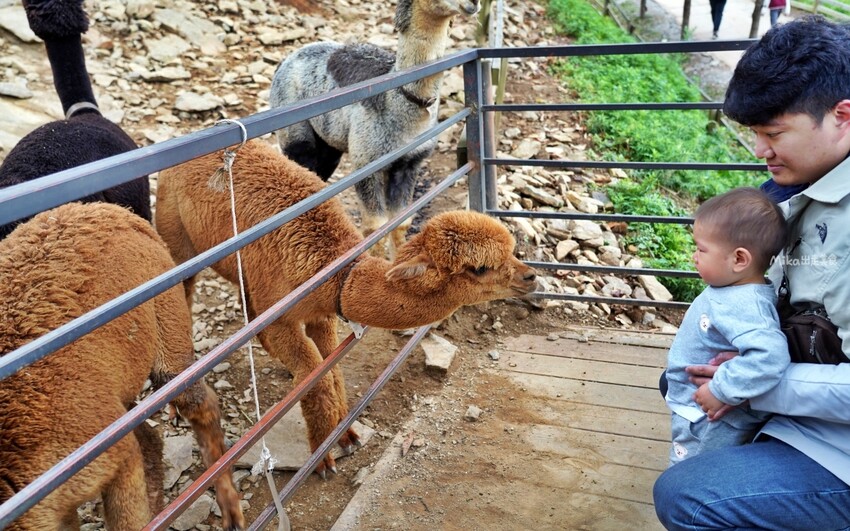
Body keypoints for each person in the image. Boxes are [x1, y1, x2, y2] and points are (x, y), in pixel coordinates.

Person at [654, 16, 850, 530]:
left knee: (688, 499)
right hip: (796, 404)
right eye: (755, 133)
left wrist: (745, 385)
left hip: (835, 442)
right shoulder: (794, 188)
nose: (760, 151)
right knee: (676, 378)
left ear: (842, 115)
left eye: (773, 133)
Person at [664, 188, 789, 467]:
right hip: (696, 407)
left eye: (701, 249)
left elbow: (770, 357)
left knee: (691, 473)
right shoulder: (733, 289)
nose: (694, 256)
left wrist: (720, 390)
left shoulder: (745, 304)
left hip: (709, 417)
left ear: (739, 260)